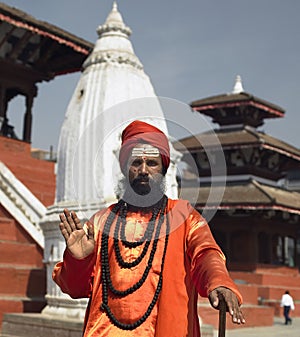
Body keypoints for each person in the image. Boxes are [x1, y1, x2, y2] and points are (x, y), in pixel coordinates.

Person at [53, 120, 245, 336]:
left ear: (163, 169)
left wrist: (218, 282)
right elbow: (74, 288)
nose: (143, 170)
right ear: (126, 168)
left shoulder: (183, 216)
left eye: (152, 163)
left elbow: (206, 254)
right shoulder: (101, 222)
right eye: (136, 162)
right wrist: (79, 260)